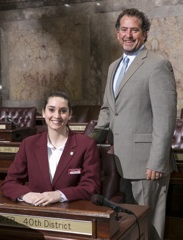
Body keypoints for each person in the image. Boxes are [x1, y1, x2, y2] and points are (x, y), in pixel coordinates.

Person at [88, 8, 177, 240]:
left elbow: (165, 119)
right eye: (124, 29)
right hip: (120, 162)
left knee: (149, 227)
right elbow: (108, 110)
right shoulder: (112, 66)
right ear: (117, 33)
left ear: (144, 34)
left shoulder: (158, 64)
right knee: (129, 225)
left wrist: (157, 162)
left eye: (134, 30)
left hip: (148, 165)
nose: (128, 35)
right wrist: (86, 143)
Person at [2, 91, 100, 206]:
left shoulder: (86, 144)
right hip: (36, 212)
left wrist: (59, 195)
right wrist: (26, 195)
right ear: (43, 112)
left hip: (71, 214)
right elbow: (9, 182)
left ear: (70, 114)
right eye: (51, 110)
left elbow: (91, 187)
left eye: (63, 111)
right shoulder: (28, 144)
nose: (57, 116)